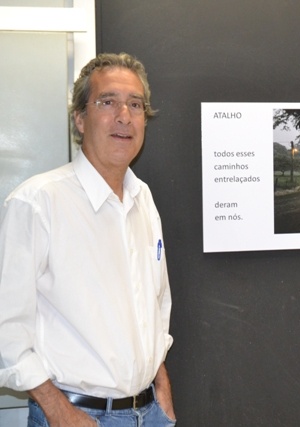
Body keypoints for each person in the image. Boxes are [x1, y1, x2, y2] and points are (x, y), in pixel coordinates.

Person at [0, 53, 175, 426]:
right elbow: (6, 328)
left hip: (150, 413)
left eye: (135, 104)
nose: (124, 116)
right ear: (79, 118)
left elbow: (155, 307)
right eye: (107, 102)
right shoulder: (38, 202)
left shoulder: (144, 200)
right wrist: (59, 411)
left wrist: (162, 389)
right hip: (77, 416)